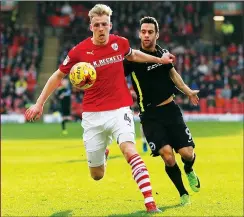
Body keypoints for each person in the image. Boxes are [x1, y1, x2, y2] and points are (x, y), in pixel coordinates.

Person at [25, 4, 175, 213]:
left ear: (110, 25)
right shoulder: (79, 51)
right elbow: (58, 75)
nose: (101, 28)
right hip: (93, 115)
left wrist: (159, 59)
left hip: (119, 109)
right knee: (97, 175)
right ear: (91, 27)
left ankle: (150, 202)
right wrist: (39, 103)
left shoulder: (119, 43)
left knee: (129, 150)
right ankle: (103, 153)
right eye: (97, 25)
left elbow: (134, 56)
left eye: (105, 24)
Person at [123, 16, 201, 206]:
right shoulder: (132, 59)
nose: (146, 35)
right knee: (167, 155)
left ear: (157, 34)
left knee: (187, 153)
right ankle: (183, 193)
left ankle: (189, 169)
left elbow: (174, 76)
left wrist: (188, 91)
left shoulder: (163, 53)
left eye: (150, 32)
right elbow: (115, 77)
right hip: (150, 115)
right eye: (143, 32)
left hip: (171, 110)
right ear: (139, 34)